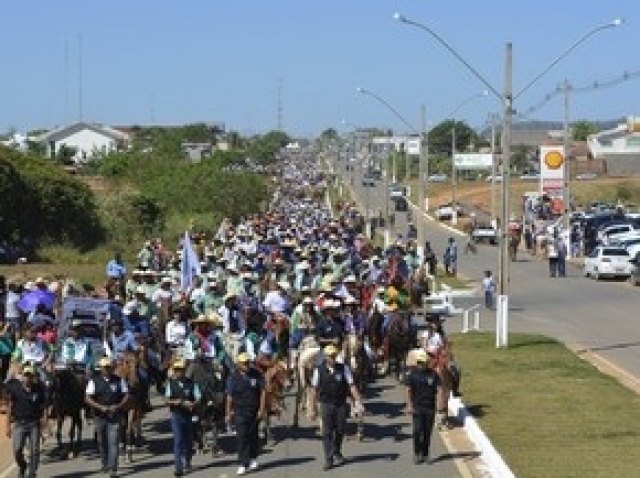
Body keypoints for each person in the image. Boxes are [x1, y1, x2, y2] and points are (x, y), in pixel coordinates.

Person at [310, 344, 364, 471]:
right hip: (326, 404)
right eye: (330, 356)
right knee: (327, 432)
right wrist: (312, 407)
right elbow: (313, 390)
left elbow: (351, 386)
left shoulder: (343, 368)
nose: (332, 358)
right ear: (325, 357)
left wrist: (358, 401)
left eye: (334, 355)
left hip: (340, 404)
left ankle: (337, 451)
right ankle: (329, 459)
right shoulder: (319, 370)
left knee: (340, 430)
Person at [85, 357, 129, 478]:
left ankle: (113, 468)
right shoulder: (93, 381)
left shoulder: (119, 380)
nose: (107, 369)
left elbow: (126, 395)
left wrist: (119, 406)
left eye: (109, 367)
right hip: (100, 416)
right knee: (102, 442)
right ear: (101, 369)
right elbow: (87, 398)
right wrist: (100, 407)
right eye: (105, 367)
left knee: (113, 442)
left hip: (114, 416)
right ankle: (105, 463)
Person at [225, 352, 266, 476]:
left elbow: (263, 392)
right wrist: (228, 413)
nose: (247, 365)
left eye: (248, 362)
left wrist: (262, 409)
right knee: (242, 437)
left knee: (253, 435)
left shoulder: (256, 374)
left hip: (254, 410)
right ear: (238, 364)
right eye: (244, 363)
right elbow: (229, 397)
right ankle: (243, 463)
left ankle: (253, 458)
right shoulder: (233, 377)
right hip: (240, 411)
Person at [4, 364, 46, 478]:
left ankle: (32, 473)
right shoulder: (15, 389)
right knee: (17, 450)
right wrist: (7, 426)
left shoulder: (39, 389)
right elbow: (10, 407)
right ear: (22, 376)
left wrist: (45, 423)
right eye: (25, 375)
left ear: (33, 377)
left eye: (29, 375)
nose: (27, 378)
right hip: (19, 424)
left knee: (35, 450)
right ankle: (22, 466)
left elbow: (43, 407)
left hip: (34, 424)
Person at [165, 358, 201, 477]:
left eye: (181, 370)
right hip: (176, 415)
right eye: (177, 370)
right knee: (178, 440)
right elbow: (167, 400)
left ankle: (188, 459)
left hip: (188, 415)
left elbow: (198, 396)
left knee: (188, 440)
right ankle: (178, 467)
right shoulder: (170, 383)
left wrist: (193, 404)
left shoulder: (191, 383)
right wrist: (179, 402)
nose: (178, 372)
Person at [404, 349, 440, 465]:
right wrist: (409, 405)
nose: (420, 365)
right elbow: (408, 390)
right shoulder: (412, 375)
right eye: (419, 362)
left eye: (422, 362)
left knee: (427, 433)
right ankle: (416, 452)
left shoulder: (433, 374)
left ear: (426, 362)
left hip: (430, 407)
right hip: (417, 407)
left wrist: (439, 406)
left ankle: (425, 454)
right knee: (417, 431)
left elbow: (438, 390)